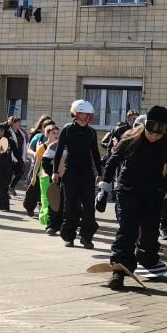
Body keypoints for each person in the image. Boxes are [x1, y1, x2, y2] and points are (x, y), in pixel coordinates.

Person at [100, 106, 167, 290]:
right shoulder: (130, 138)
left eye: (158, 134)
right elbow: (113, 162)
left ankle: (147, 258)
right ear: (145, 126)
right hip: (129, 189)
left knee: (151, 230)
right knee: (128, 228)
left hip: (153, 191)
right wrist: (104, 187)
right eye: (150, 132)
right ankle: (119, 270)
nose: (153, 136)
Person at [53, 99, 103, 249]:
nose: (84, 117)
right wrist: (55, 171)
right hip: (70, 173)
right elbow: (59, 151)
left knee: (89, 207)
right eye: (81, 114)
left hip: (87, 173)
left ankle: (86, 238)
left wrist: (99, 173)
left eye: (87, 115)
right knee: (70, 206)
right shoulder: (67, 130)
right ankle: (69, 237)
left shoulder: (91, 132)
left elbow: (95, 153)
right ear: (74, 114)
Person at [35, 125, 60, 229]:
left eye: (57, 133)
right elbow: (37, 163)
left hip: (56, 175)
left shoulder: (59, 146)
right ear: (47, 134)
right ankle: (45, 217)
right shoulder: (43, 147)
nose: (56, 135)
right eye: (53, 133)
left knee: (55, 198)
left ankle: (55, 218)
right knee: (45, 197)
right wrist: (33, 176)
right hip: (44, 175)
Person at [7, 116, 29, 196]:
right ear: (13, 123)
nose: (20, 124)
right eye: (18, 122)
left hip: (20, 156)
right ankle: (6, 192)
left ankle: (11, 187)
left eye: (20, 122)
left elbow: (25, 143)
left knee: (20, 173)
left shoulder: (21, 132)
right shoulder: (8, 132)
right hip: (11, 156)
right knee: (8, 175)